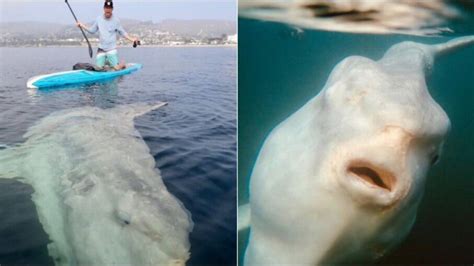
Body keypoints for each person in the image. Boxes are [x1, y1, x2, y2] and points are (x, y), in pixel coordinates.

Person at [76, 0, 139, 71]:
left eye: (109, 8)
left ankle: (121, 65)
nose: (108, 10)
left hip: (111, 49)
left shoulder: (116, 20)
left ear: (112, 9)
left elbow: (123, 33)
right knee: (98, 69)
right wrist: (81, 25)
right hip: (101, 49)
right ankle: (107, 62)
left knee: (116, 69)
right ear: (104, 8)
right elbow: (92, 30)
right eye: (106, 8)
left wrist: (132, 39)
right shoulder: (99, 19)